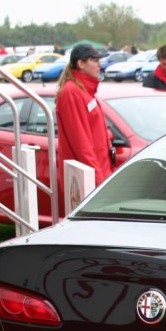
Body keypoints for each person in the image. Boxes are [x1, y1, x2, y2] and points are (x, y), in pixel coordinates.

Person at [55, 43, 112, 211]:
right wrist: (99, 181)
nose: (99, 65)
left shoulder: (85, 91)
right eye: (94, 60)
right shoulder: (72, 92)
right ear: (81, 64)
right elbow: (81, 144)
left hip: (99, 172)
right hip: (88, 180)